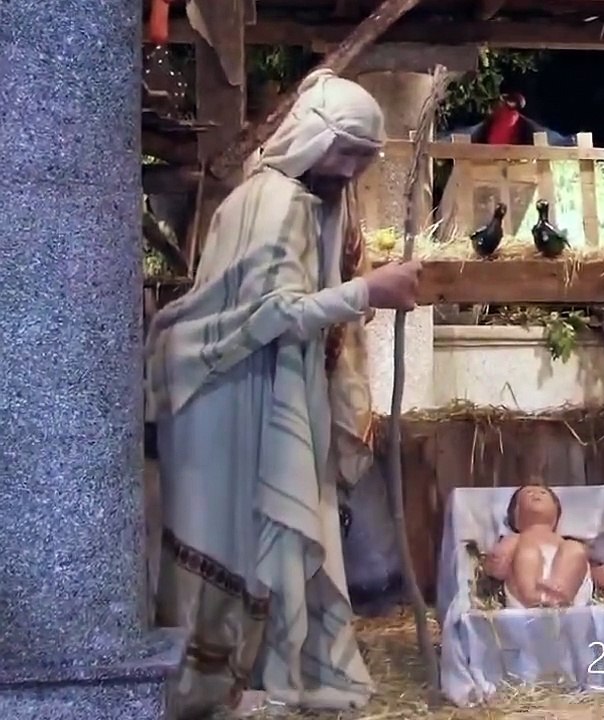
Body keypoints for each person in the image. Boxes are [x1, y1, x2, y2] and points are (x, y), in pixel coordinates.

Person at [144, 68, 425, 718]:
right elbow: (270, 314)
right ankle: (208, 691)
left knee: (269, 540)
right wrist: (368, 292)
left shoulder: (282, 197)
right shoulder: (278, 204)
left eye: (363, 158)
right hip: (227, 398)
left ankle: (264, 679)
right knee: (230, 544)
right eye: (346, 152)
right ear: (313, 139)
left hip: (253, 391)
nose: (351, 172)